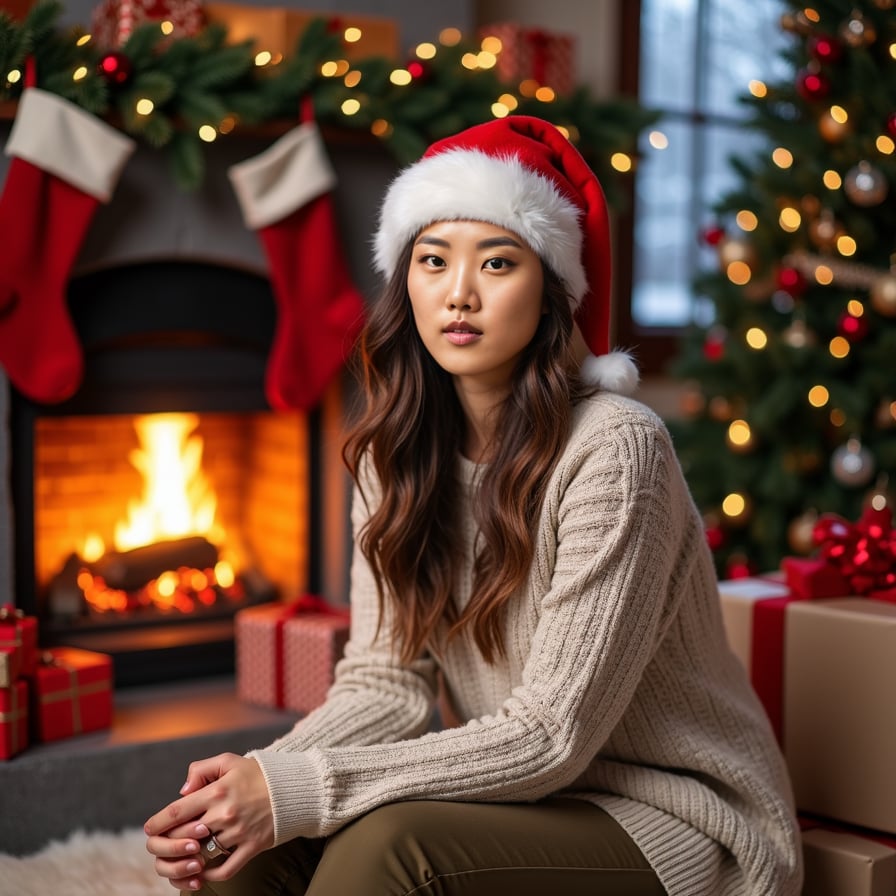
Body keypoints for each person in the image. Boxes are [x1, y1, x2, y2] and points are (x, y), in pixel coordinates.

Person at [144, 115, 803, 896]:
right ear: (407, 281)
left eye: (498, 263)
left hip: (675, 817)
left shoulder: (618, 449)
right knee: (241, 856)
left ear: (550, 289)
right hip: (525, 801)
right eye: (433, 261)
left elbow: (550, 736)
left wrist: (298, 790)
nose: (459, 294)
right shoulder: (395, 456)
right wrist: (256, 783)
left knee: (386, 848)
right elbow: (383, 687)